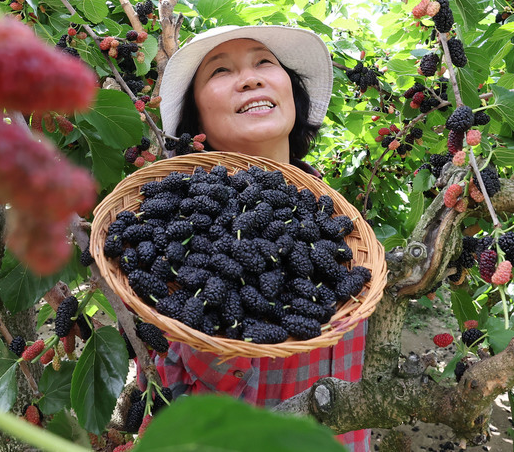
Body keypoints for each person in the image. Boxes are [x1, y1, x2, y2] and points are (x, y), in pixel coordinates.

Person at [155, 24, 369, 451]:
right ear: (196, 121)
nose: (250, 78)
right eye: (220, 71)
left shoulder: (337, 217)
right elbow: (173, 382)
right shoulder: (171, 226)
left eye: (264, 62)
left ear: (291, 90)